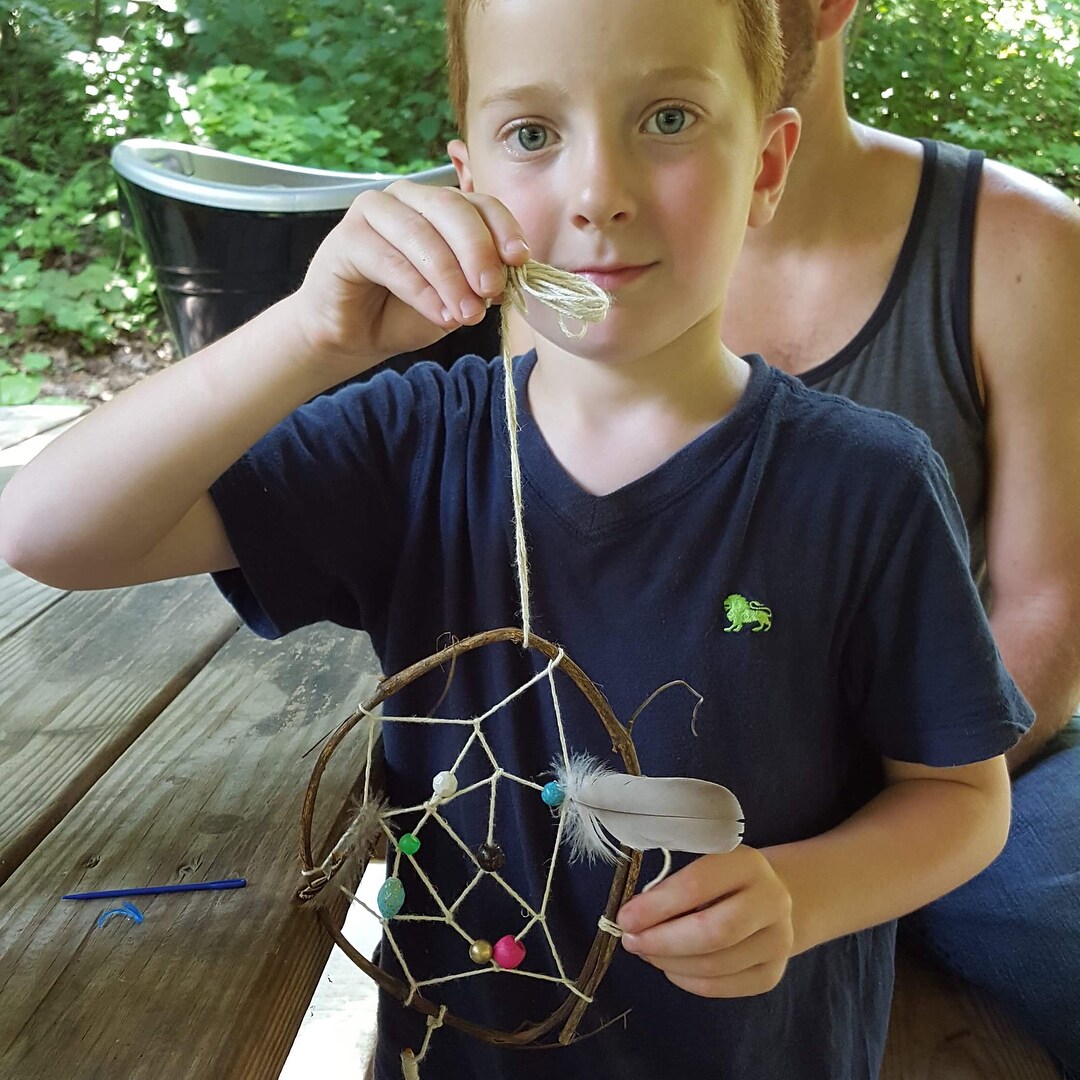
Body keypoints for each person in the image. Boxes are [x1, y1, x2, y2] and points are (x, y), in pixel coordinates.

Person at [0, 0, 1032, 1077]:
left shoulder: (867, 484)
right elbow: (47, 530)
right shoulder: (410, 443)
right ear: (469, 180)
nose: (598, 196)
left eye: (670, 117)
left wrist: (807, 895)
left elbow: (960, 799)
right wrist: (312, 337)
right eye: (534, 134)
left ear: (767, 165)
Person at [721, 0, 1080, 1071]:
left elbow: (1046, 610)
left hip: (987, 764)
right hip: (703, 771)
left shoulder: (1021, 244)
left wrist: (862, 829)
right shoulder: (588, 261)